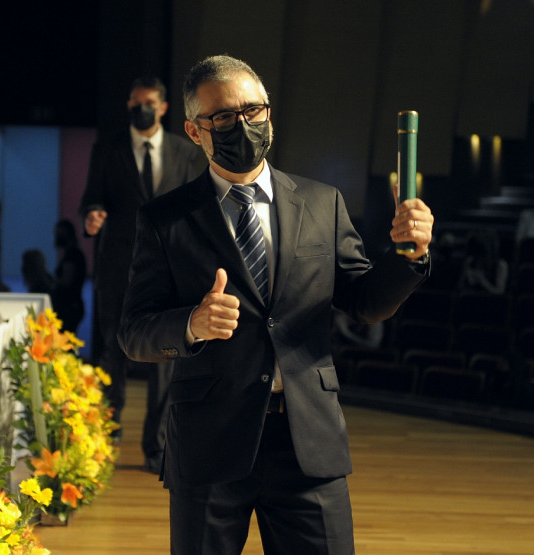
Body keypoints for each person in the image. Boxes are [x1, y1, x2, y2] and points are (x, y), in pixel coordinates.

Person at [117, 55, 434, 554]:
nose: (242, 125)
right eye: (223, 117)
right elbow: (134, 333)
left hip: (307, 438)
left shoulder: (322, 202)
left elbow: (366, 302)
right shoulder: (165, 220)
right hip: (210, 444)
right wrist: (192, 325)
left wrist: (411, 259)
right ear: (193, 131)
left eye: (253, 111)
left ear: (269, 113)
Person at [79, 76, 205, 468]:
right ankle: (105, 441)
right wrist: (92, 216)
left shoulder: (186, 153)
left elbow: (197, 205)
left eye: (148, 102)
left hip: (170, 267)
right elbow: (91, 199)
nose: (140, 108)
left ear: (164, 107)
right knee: (112, 351)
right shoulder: (107, 149)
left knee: (166, 355)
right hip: (116, 266)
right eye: (134, 102)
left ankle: (157, 447)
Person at [51, 218, 86, 334]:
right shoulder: (72, 254)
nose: (56, 237)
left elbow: (66, 281)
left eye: (59, 234)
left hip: (69, 308)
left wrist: (49, 280)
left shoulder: (72, 255)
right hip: (71, 306)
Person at [457, 229, 509, 295]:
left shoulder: (501, 265)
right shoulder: (472, 261)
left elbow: (499, 292)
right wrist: (467, 277)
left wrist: (482, 280)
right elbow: (459, 289)